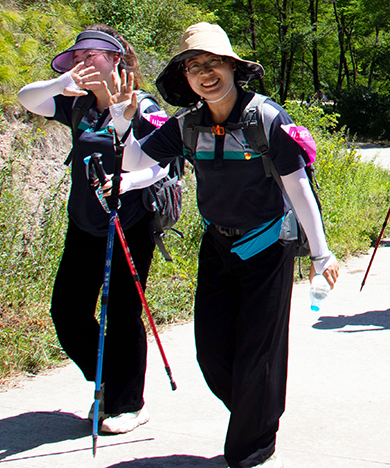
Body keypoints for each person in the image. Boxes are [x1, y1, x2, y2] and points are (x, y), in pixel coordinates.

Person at [112, 23, 339, 468]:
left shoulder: (269, 120)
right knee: (211, 350)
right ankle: (258, 410)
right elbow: (134, 160)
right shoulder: (186, 125)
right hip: (217, 246)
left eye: (213, 63)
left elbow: (298, 190)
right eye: (195, 67)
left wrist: (321, 254)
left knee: (258, 349)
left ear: (233, 67)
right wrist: (123, 118)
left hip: (268, 248)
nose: (205, 73)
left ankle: (251, 445)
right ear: (187, 78)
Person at [16, 25, 168, 435]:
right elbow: (27, 98)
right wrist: (62, 82)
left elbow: (165, 163)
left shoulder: (143, 105)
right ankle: (104, 381)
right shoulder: (78, 105)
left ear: (116, 59)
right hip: (84, 222)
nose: (82, 61)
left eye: (91, 55)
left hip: (129, 224)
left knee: (120, 313)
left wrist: (127, 183)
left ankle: (128, 403)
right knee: (67, 311)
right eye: (77, 56)